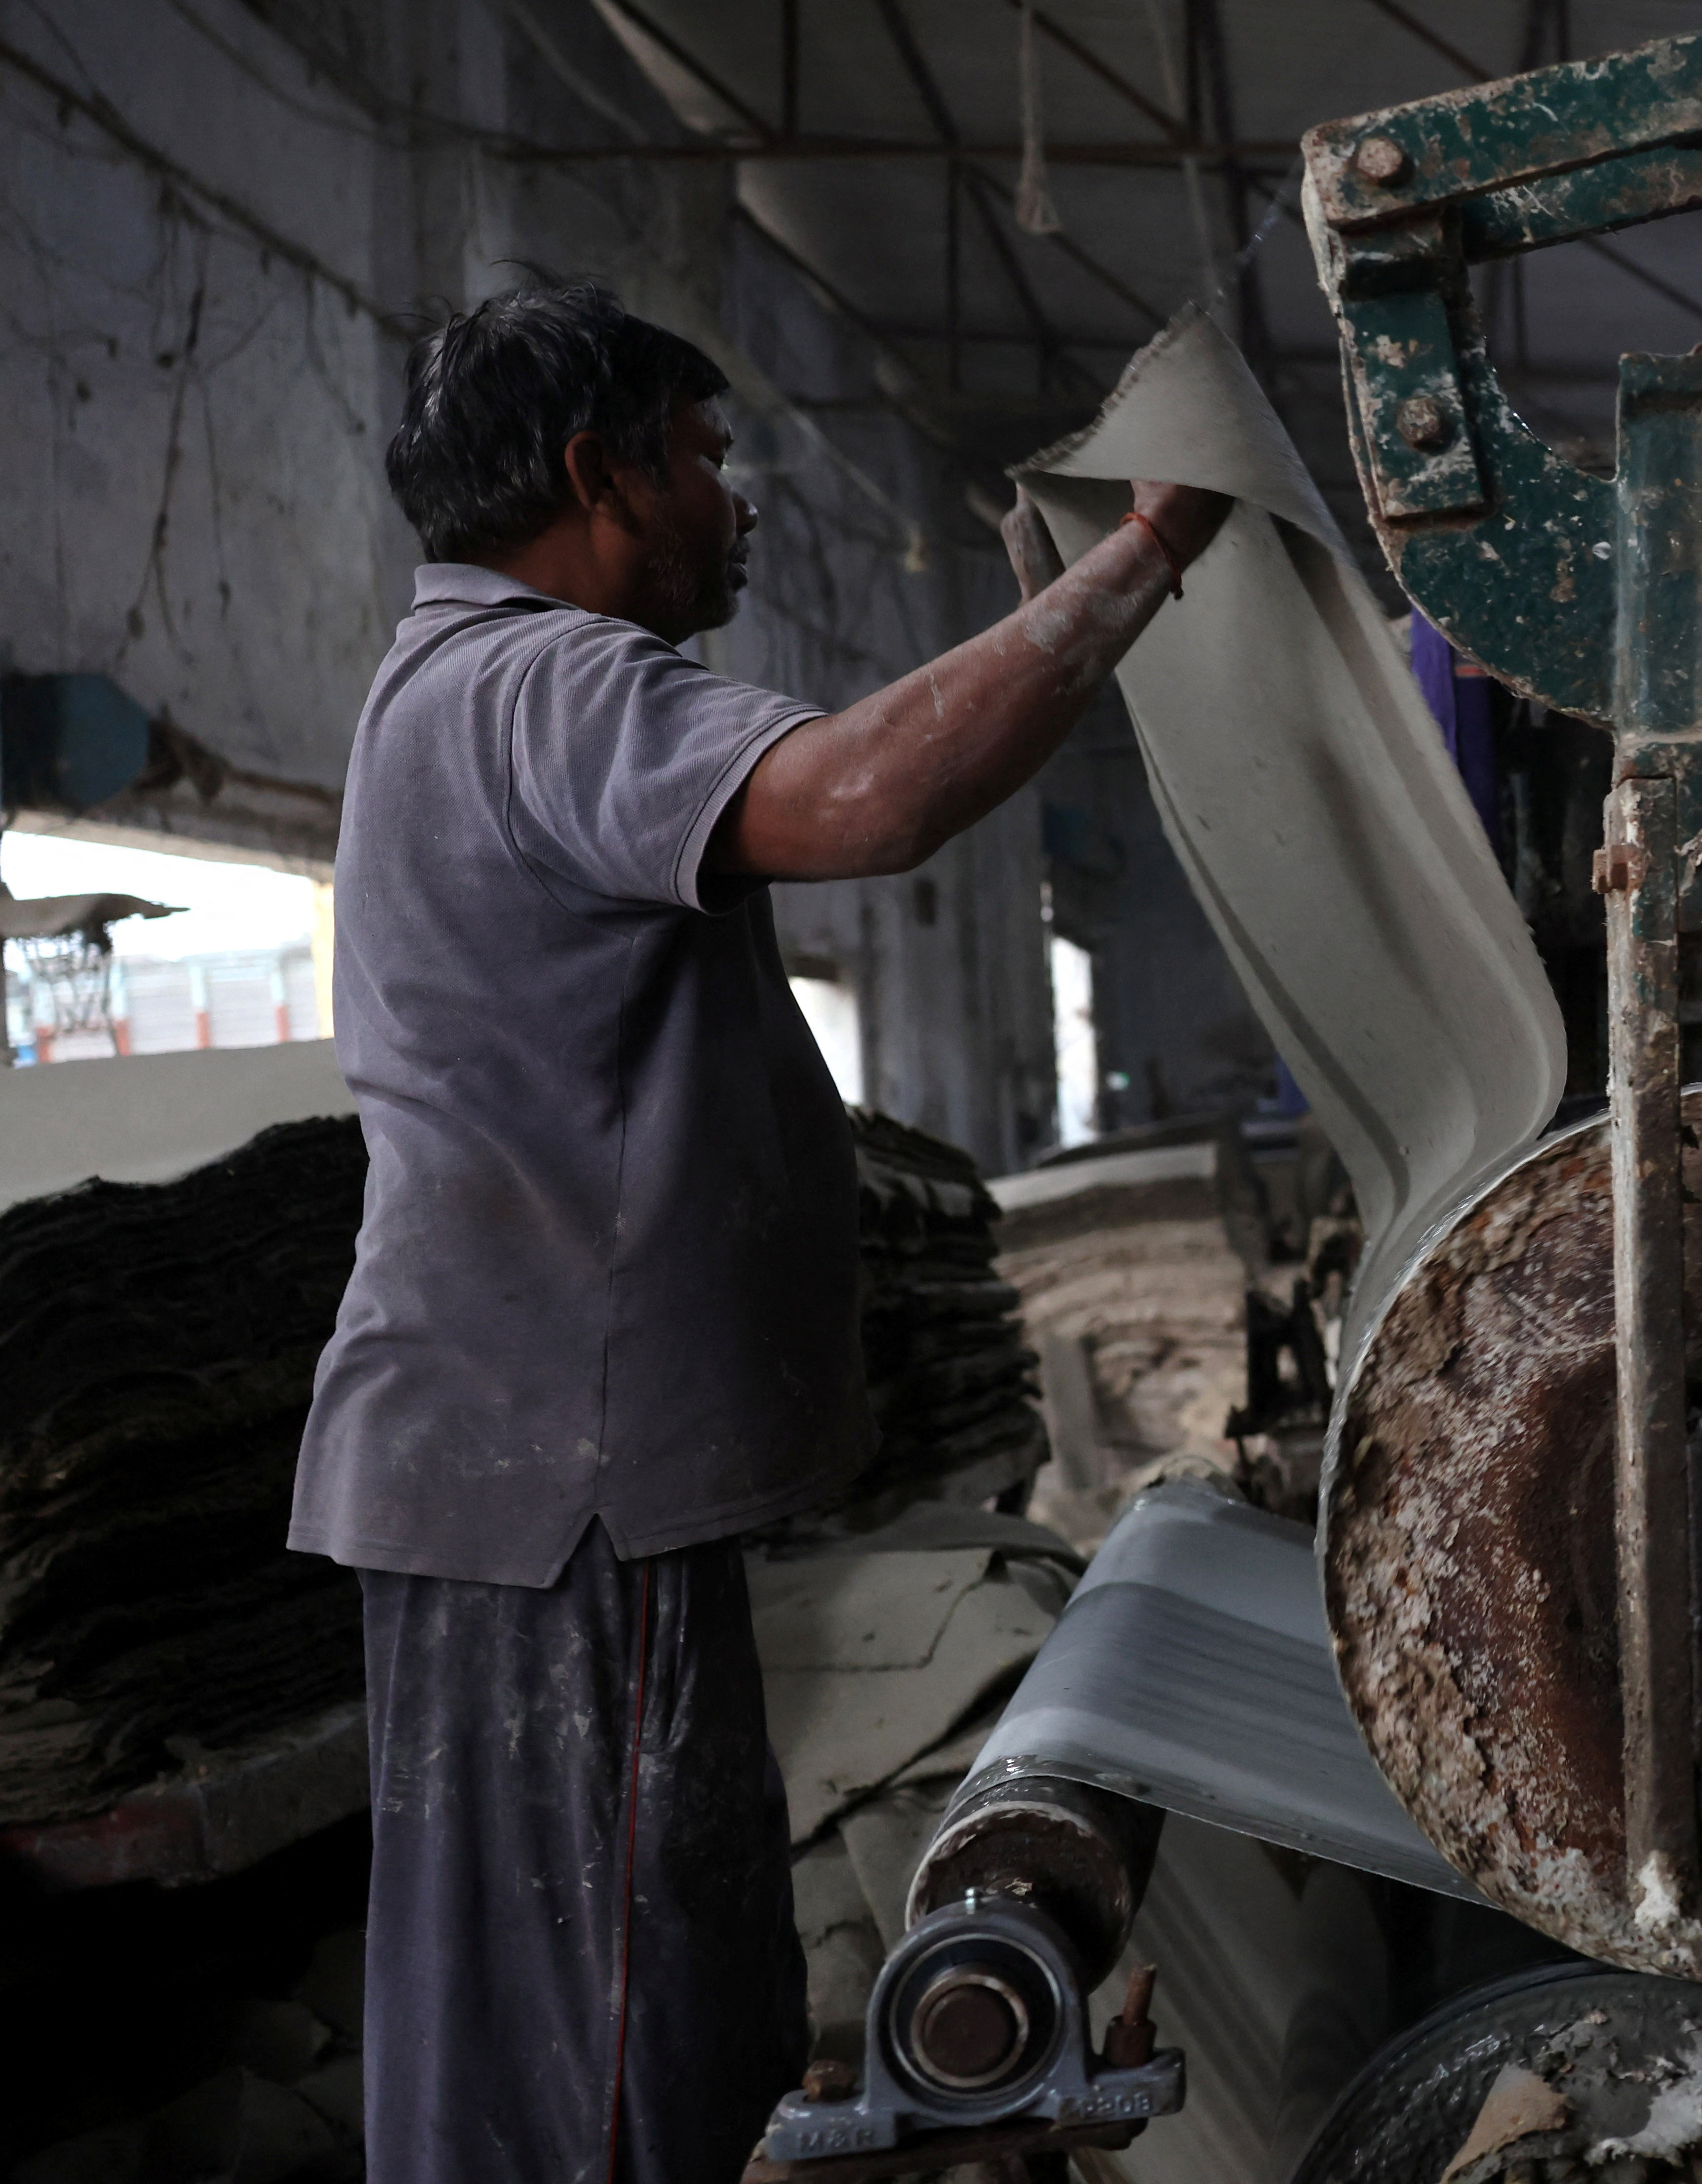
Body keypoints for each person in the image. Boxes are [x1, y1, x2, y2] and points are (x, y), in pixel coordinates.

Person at [288, 281, 1223, 2182]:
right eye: (706, 457)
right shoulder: (549, 682)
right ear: (597, 473)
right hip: (566, 1480)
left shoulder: (453, 689)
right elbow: (872, 798)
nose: (738, 499)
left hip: (512, 1466)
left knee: (533, 2036)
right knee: (618, 2061)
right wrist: (1148, 560)